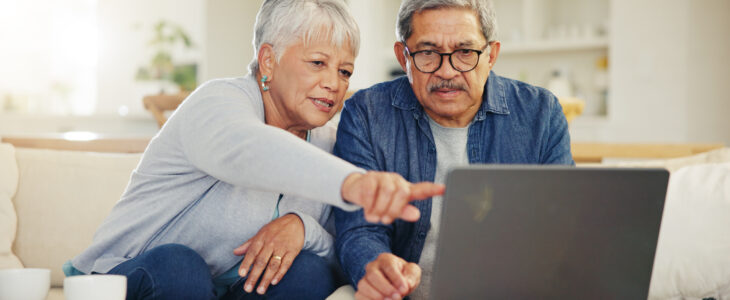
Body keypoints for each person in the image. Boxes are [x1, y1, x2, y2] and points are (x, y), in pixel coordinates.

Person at [63, 1, 444, 299]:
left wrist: (302, 228)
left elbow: (338, 249)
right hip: (129, 279)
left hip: (227, 290)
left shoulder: (328, 143)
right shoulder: (217, 103)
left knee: (309, 273)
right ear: (268, 61)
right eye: (317, 63)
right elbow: (248, 151)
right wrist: (353, 183)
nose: (333, 83)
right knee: (181, 267)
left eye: (344, 71)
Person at [333, 0, 575, 299]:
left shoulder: (541, 113)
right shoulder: (366, 114)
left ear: (491, 55)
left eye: (464, 53)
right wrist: (375, 266)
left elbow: (560, 228)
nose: (446, 71)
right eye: (428, 53)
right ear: (403, 56)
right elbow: (358, 229)